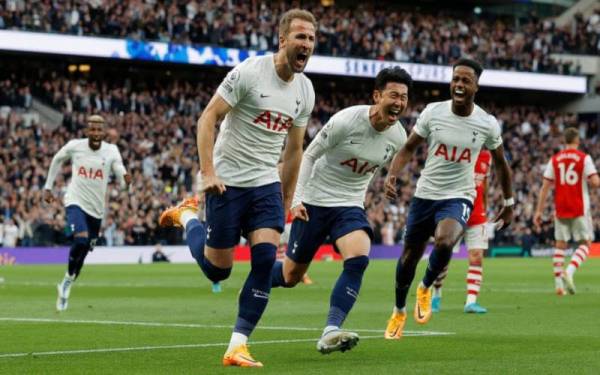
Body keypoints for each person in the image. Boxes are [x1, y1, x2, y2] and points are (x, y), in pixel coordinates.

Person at [158, 9, 317, 367]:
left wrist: (288, 200)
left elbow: (294, 151)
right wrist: (208, 172)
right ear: (283, 40)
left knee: (263, 259)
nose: (306, 44)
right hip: (227, 183)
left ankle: (237, 344)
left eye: (311, 38)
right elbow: (207, 118)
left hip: (264, 183)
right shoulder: (249, 72)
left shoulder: (305, 91)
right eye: (300, 37)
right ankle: (186, 217)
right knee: (219, 270)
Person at [271, 66, 412, 354]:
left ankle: (331, 329)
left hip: (349, 205)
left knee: (359, 258)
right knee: (290, 277)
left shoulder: (399, 136)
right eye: (393, 95)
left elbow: (386, 163)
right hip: (313, 202)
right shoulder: (346, 121)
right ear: (377, 95)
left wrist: (390, 179)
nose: (399, 102)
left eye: (404, 97)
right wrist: (296, 200)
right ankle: (260, 275)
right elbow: (308, 156)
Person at [383, 58, 514, 339]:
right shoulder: (433, 112)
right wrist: (392, 174)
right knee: (408, 258)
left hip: (459, 195)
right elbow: (408, 148)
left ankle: (426, 286)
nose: (459, 84)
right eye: (455, 79)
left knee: (445, 241)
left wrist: (509, 203)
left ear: (476, 86)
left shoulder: (487, 123)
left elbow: (502, 164)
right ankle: (398, 311)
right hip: (425, 194)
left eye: (466, 80)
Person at [44, 115, 131, 312]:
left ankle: (68, 281)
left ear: (104, 131)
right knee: (81, 240)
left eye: (99, 130)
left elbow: (120, 171)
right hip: (75, 200)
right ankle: (67, 279)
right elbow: (57, 159)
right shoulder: (75, 146)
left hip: (97, 210)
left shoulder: (111, 150)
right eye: (92, 129)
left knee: (84, 251)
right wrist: (48, 187)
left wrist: (126, 181)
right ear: (87, 130)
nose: (95, 133)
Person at [533, 127, 599, 295]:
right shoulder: (584, 158)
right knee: (586, 243)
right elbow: (595, 182)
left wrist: (538, 212)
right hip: (579, 207)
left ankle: (559, 287)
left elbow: (545, 187)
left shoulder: (555, 159)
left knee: (560, 245)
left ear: (565, 141)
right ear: (577, 141)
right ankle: (568, 272)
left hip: (560, 208)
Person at [431, 149, 492, 314]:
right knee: (443, 256)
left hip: (477, 215)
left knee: (477, 256)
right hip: (454, 213)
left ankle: (471, 302)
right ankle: (436, 293)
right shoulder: (458, 151)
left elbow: (484, 184)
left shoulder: (487, 156)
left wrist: (485, 207)